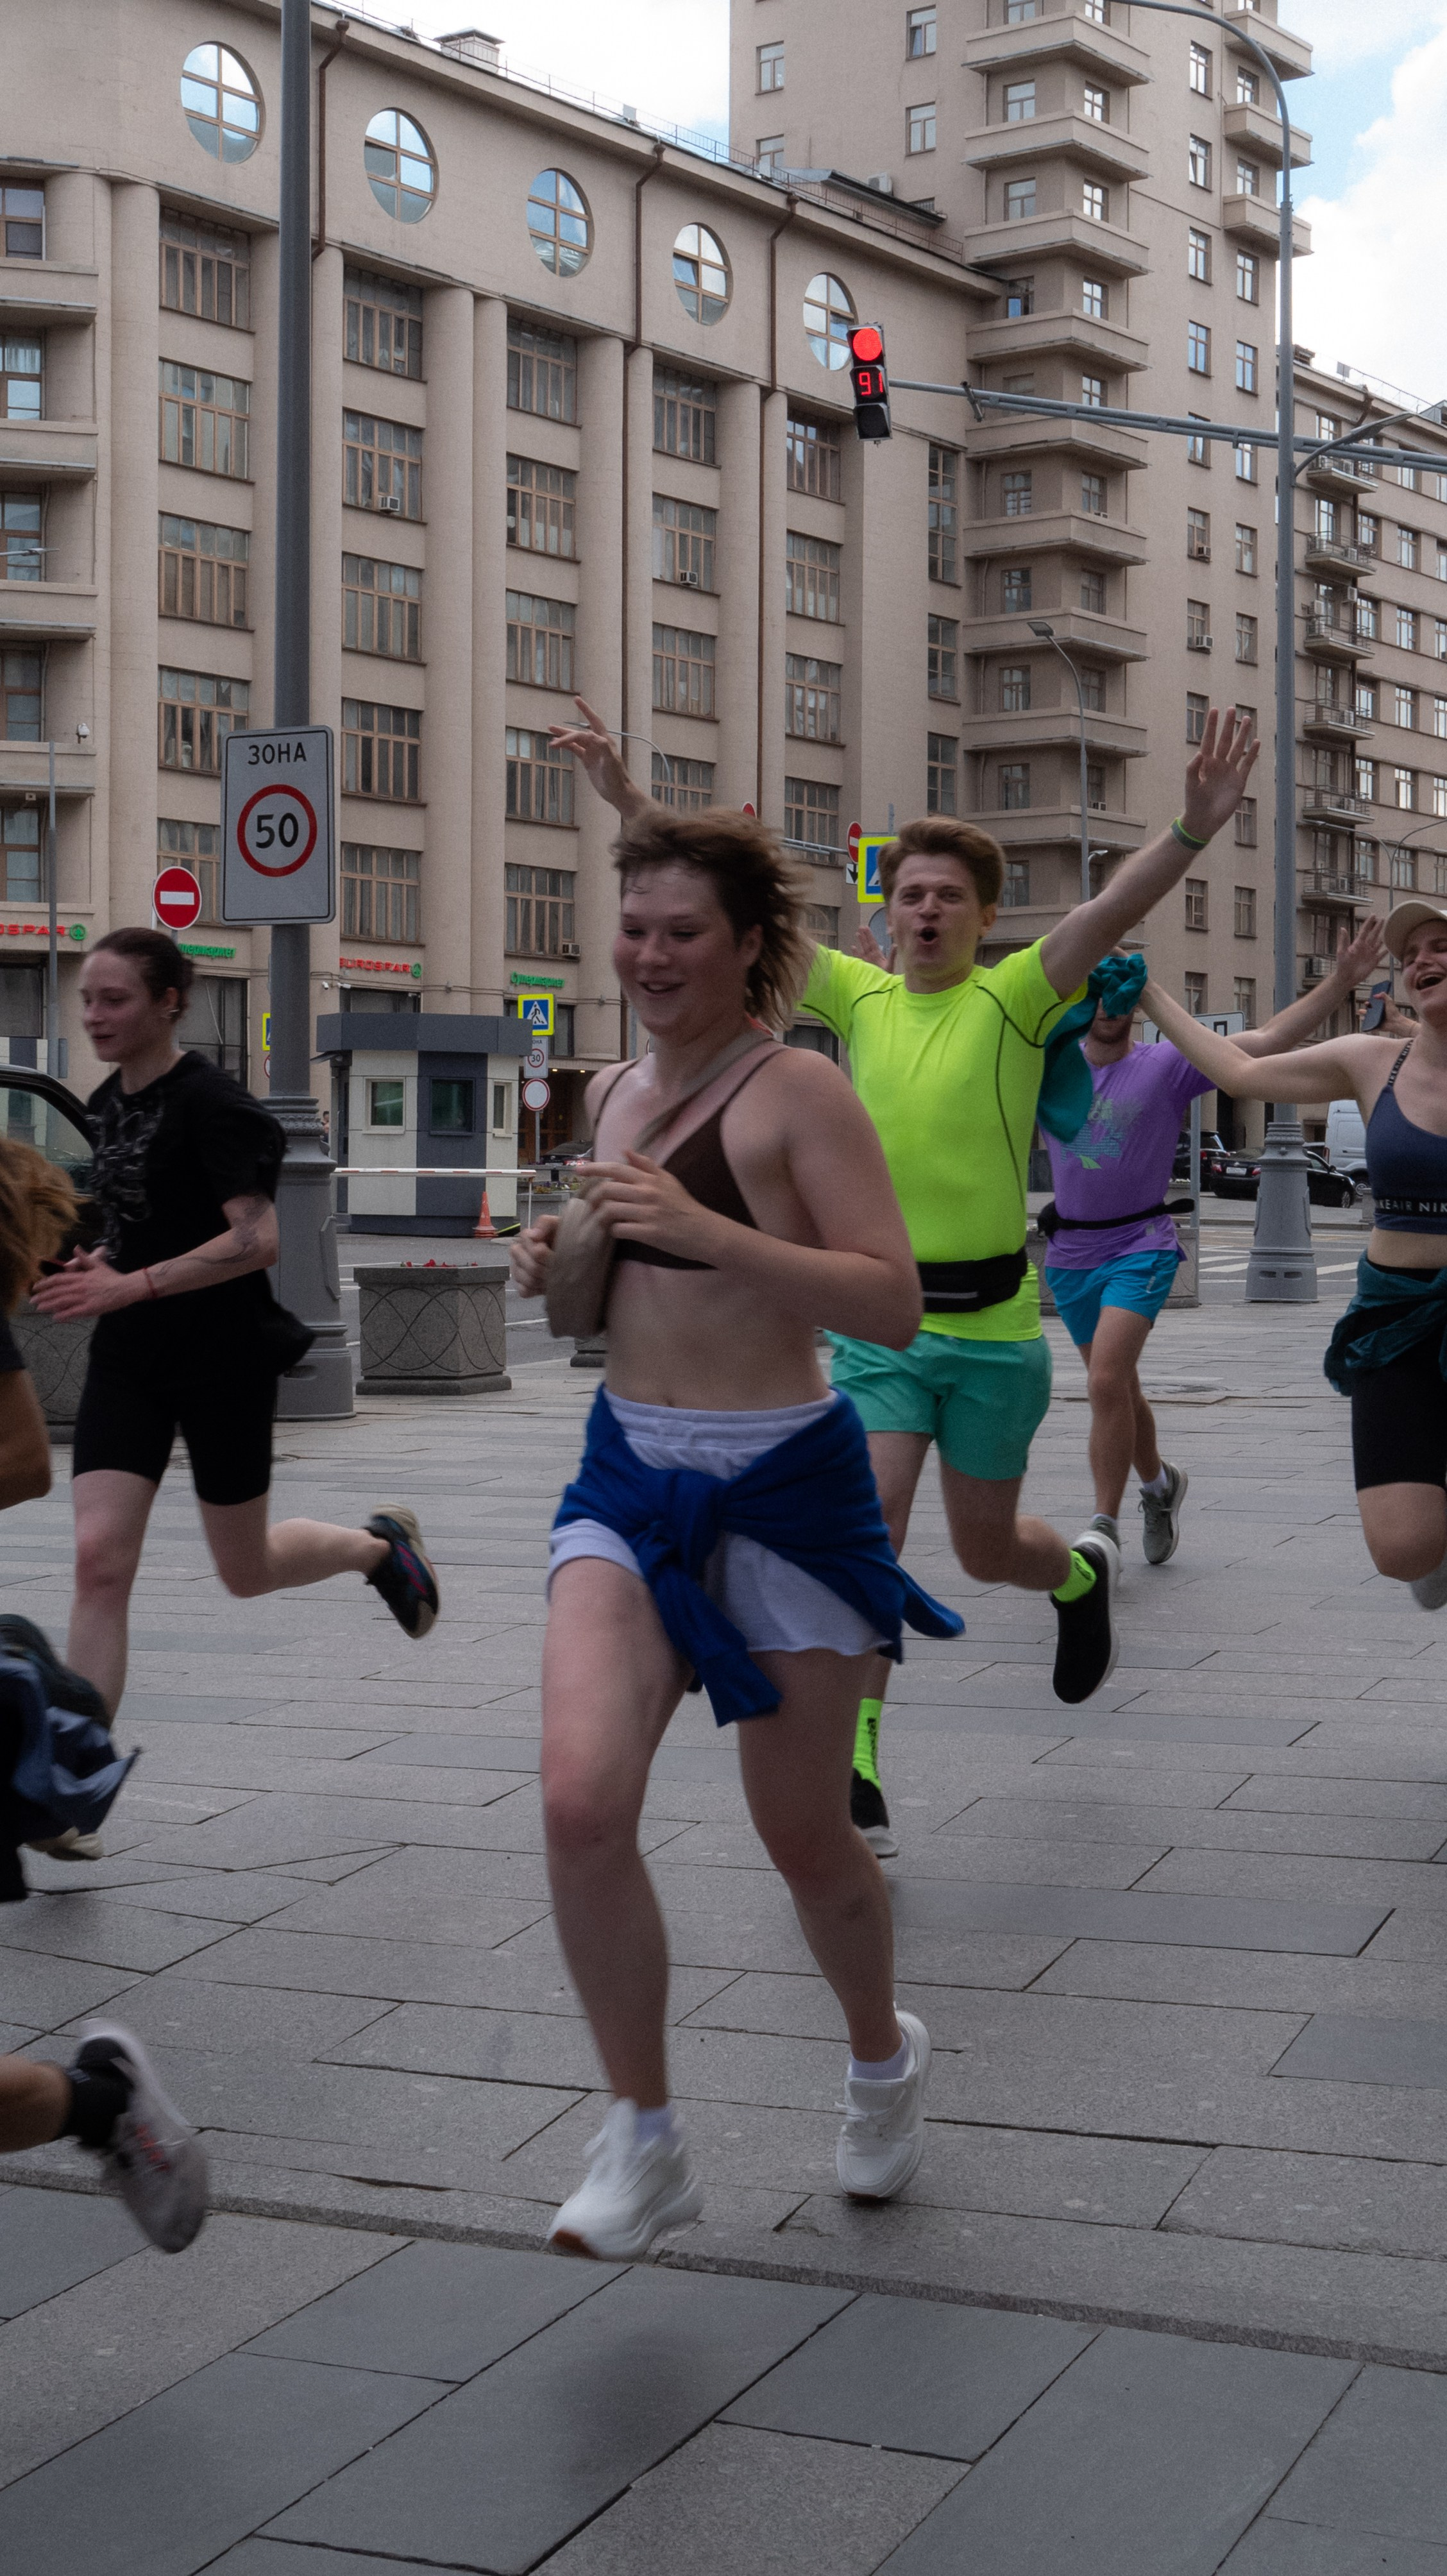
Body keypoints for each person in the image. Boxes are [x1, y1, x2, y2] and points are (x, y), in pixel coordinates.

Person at [548, 699, 1258, 1856]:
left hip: (994, 1334)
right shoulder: (856, 995)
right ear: (887, 914)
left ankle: (1075, 1579)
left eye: (948, 897)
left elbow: (1104, 911)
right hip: (881, 1329)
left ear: (984, 918)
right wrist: (628, 799)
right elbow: (721, 898)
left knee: (986, 1550)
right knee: (869, 1535)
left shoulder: (1015, 997)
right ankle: (861, 1767)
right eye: (909, 895)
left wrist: (1191, 829)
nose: (925, 911)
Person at [511, 800, 965, 2260]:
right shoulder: (611, 1094)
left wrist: (705, 1230)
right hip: (630, 1476)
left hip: (784, 1484)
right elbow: (624, 1274)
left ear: (749, 943)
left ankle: (880, 2057)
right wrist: (559, 1251)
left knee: (804, 1835)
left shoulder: (797, 1093)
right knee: (581, 1804)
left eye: (681, 932)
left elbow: (889, 1300)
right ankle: (643, 2135)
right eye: (633, 928)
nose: (649, 955)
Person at [28, 928, 439, 1717]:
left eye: (115, 999)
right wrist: (98, 1264)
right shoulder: (109, 1104)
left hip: (221, 1359)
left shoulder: (216, 1106)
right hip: (130, 1359)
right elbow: (145, 1222)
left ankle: (378, 1548)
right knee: (97, 1560)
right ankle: (79, 1761)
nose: (95, 1015)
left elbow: (257, 1241)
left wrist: (131, 1284)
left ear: (169, 1001)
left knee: (245, 1570)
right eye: (88, 999)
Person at [1043, 916, 1385, 1566]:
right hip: (1069, 1255)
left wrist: (1341, 981)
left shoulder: (1167, 1065)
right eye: (1094, 993)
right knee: (1117, 1387)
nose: (1107, 1007)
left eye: (1118, 993)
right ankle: (1159, 1485)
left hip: (1140, 1245)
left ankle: (1101, 1528)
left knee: (1106, 1380)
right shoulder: (1049, 1070)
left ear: (1136, 1002)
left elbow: (1268, 1040)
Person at [1141, 896, 1447, 1609]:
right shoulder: (1372, 1062)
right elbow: (1240, 1074)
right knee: (1402, 1551)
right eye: (1411, 957)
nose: (1424, 962)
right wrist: (1151, 993)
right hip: (1394, 1319)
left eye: (1441, 946)